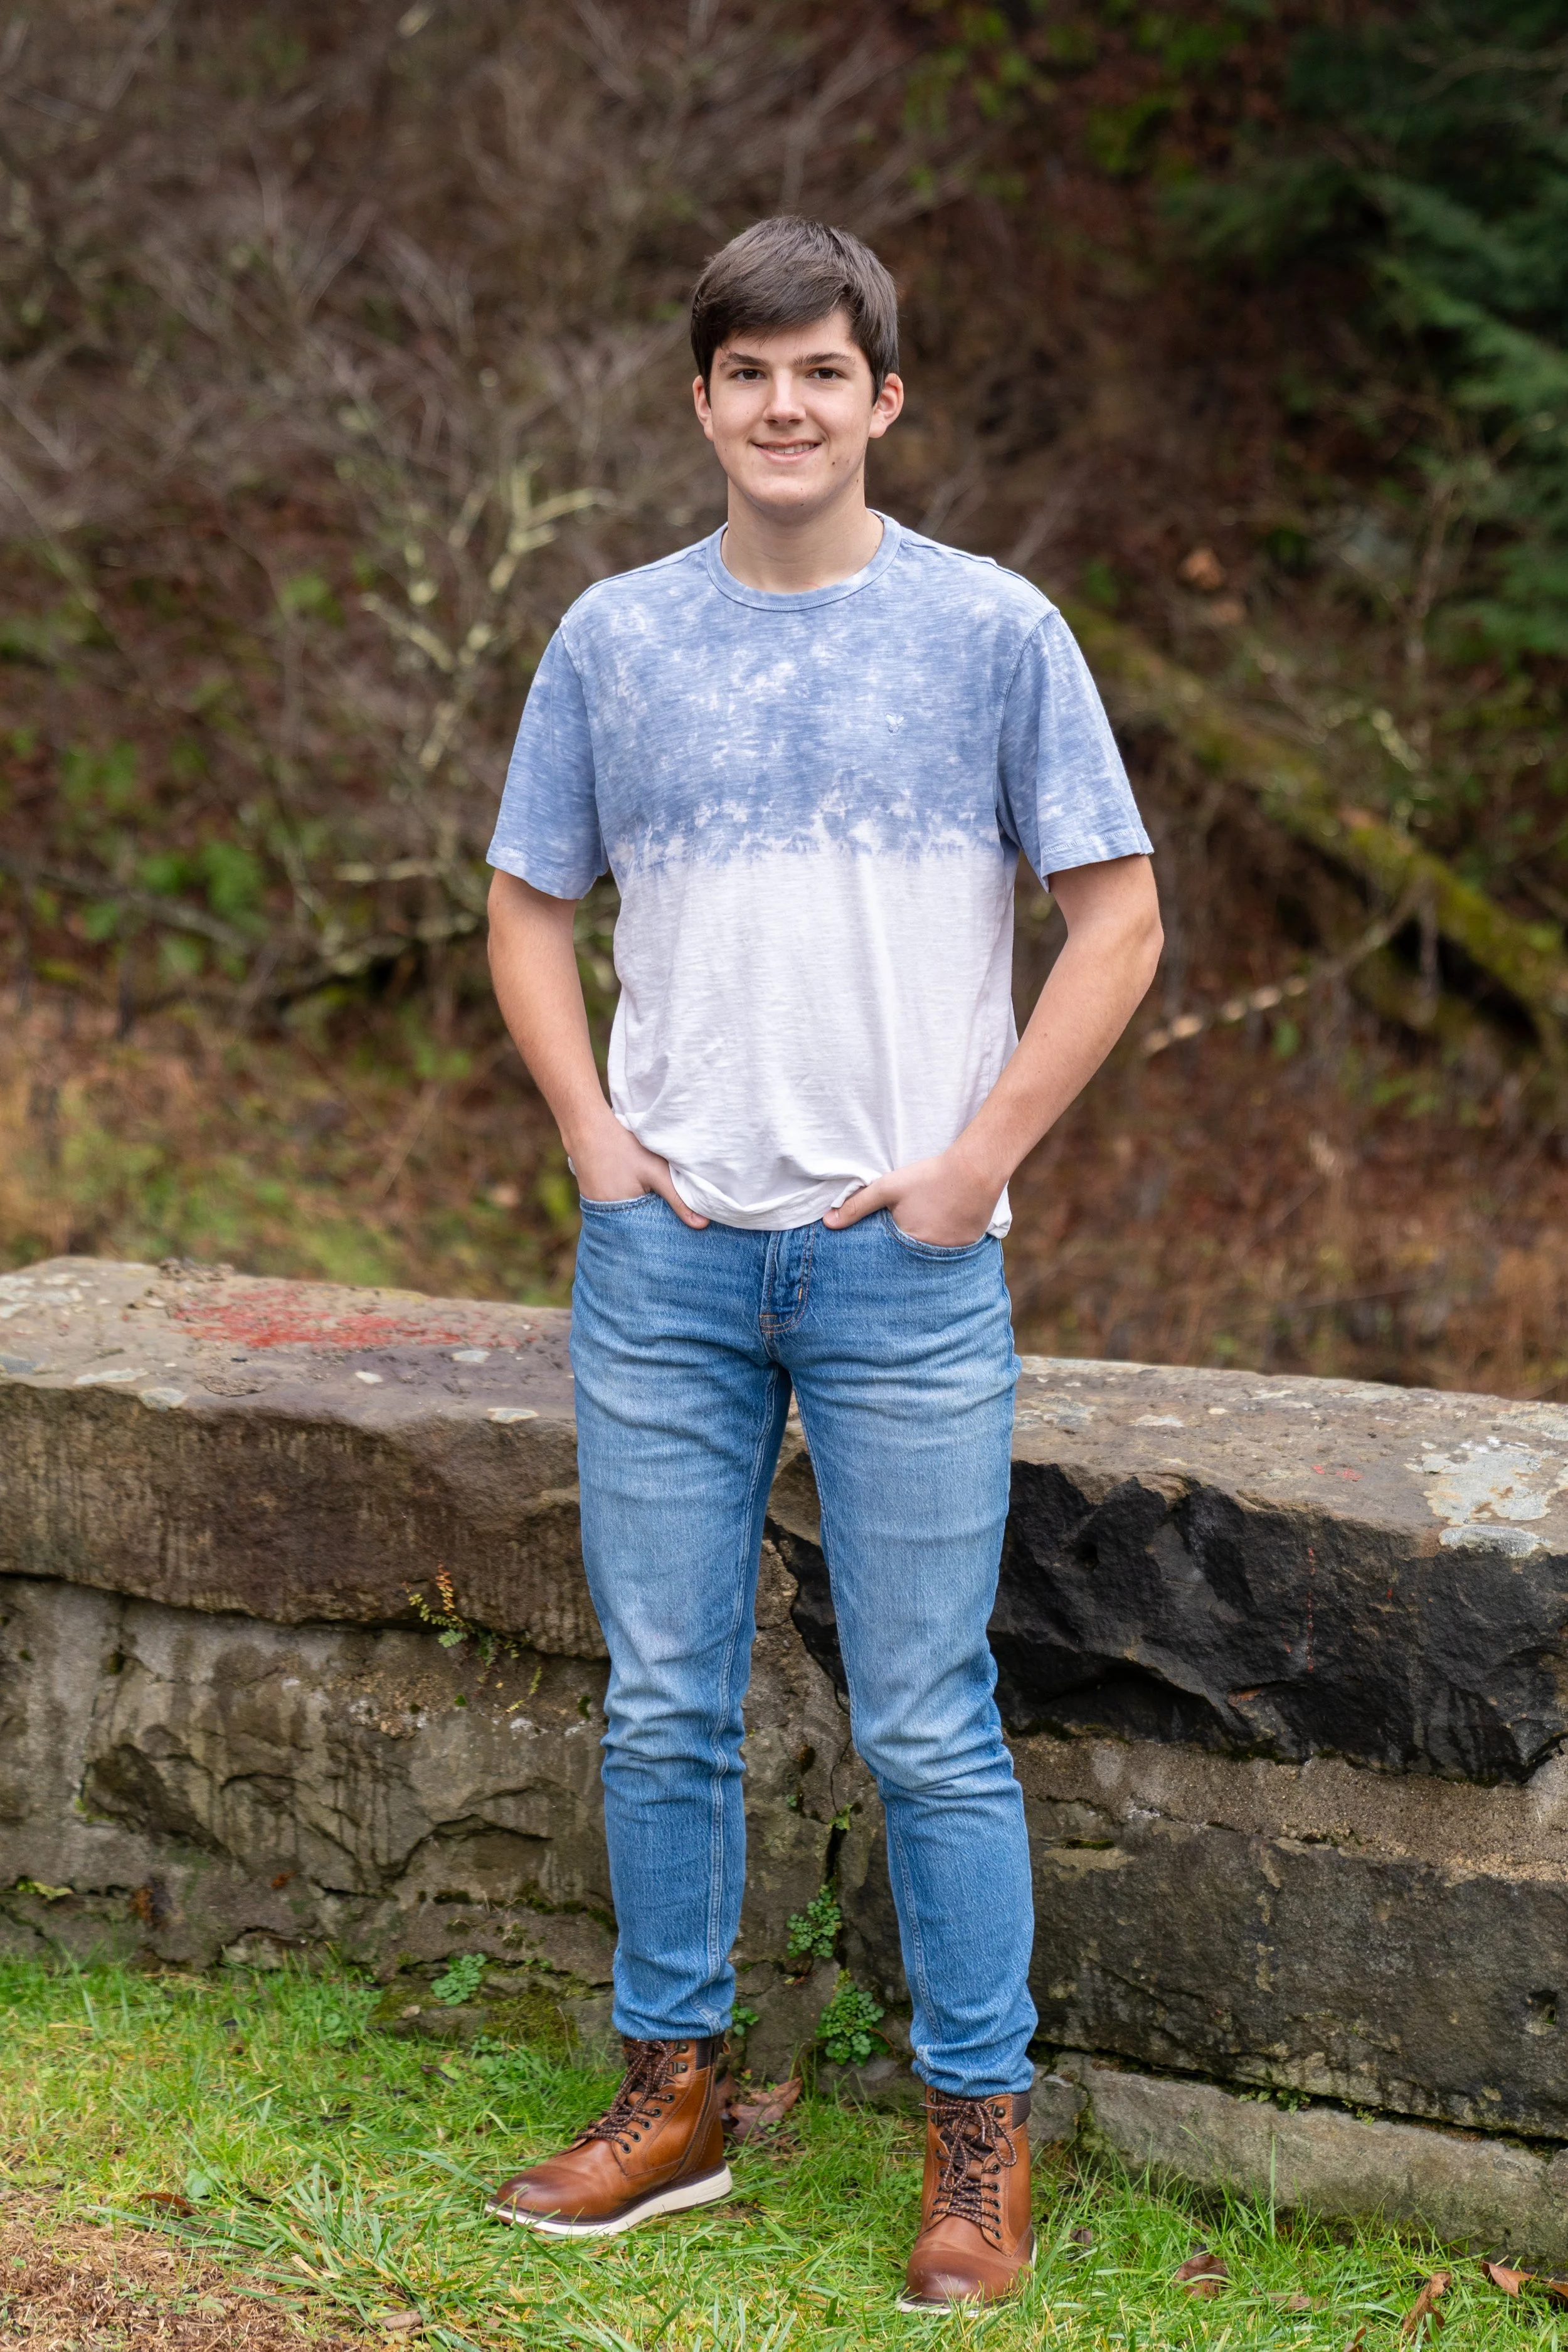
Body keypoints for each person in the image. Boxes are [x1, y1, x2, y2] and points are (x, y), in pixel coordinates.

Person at [482, 215, 1160, 2312]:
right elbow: (523, 908)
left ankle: (976, 2138)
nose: (784, 404)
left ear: (882, 398)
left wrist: (967, 1169)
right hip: (668, 1267)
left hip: (901, 1270)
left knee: (930, 1718)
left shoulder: (992, 633)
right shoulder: (610, 638)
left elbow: (1117, 918)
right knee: (664, 1699)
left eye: (821, 371)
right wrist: (597, 1143)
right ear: (701, 402)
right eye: (745, 372)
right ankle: (670, 2095)